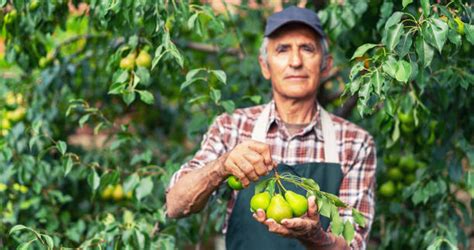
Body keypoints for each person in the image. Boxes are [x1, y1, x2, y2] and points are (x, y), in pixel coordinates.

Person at [166, 6, 376, 250]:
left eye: (307, 49)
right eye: (282, 49)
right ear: (265, 66)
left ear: (326, 65)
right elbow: (175, 205)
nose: (295, 62)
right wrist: (221, 167)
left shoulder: (355, 143)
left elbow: (353, 245)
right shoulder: (231, 128)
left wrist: (314, 235)